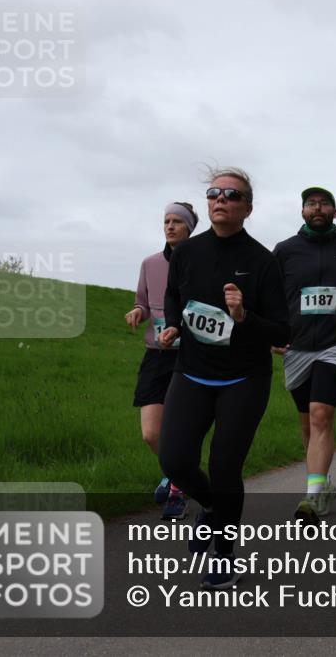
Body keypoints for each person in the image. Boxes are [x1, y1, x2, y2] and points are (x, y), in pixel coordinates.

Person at [157, 167, 290, 590]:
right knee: (174, 459)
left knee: (224, 467)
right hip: (192, 372)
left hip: (243, 378)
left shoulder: (263, 262)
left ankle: (223, 553)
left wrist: (243, 316)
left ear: (247, 208)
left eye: (232, 195)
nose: (220, 199)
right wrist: (174, 324)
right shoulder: (187, 253)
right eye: (214, 193)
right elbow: (174, 295)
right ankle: (215, 509)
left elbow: (284, 331)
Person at [272, 186, 336, 525]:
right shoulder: (285, 251)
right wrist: (273, 334)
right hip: (296, 347)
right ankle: (323, 482)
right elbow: (269, 297)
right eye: (311, 203)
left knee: (320, 414)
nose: (317, 208)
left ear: (334, 211)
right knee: (307, 423)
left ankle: (312, 497)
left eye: (324, 203)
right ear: (302, 212)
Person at [125, 202, 198, 520]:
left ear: (189, 228)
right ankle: (174, 473)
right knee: (151, 433)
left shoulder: (201, 262)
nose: (170, 226)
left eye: (177, 222)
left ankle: (178, 489)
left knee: (180, 430)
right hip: (156, 356)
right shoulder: (150, 263)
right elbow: (142, 301)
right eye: (166, 221)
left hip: (192, 357)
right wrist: (138, 312)